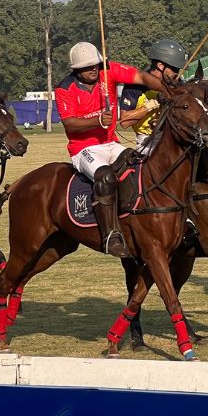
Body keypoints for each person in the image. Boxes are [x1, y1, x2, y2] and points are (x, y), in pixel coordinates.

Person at [55, 42, 167, 257]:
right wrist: (98, 120)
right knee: (105, 177)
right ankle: (110, 235)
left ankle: (135, 221)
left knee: (137, 166)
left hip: (111, 144)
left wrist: (167, 90)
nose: (94, 69)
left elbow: (142, 78)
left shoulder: (109, 71)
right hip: (83, 149)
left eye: (96, 65)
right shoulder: (64, 89)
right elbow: (69, 124)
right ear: (76, 70)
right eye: (88, 67)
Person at [118, 39, 189, 155]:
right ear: (160, 65)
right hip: (147, 143)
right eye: (175, 69)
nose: (177, 73)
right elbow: (124, 122)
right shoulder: (135, 85)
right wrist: (155, 102)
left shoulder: (177, 84)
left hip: (174, 138)